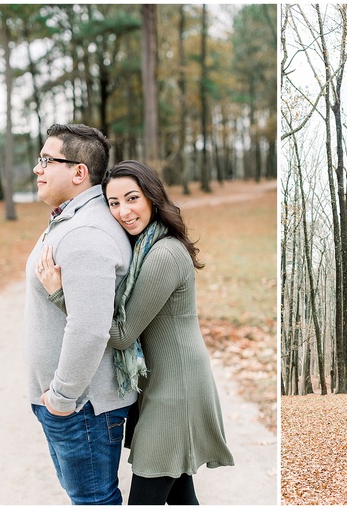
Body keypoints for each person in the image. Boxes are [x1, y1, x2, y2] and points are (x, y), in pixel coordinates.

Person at [36, 160, 235, 505]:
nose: (123, 211)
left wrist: (61, 295)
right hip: (160, 385)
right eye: (113, 203)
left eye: (132, 198)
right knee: (181, 496)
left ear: (152, 198)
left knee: (145, 500)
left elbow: (121, 334)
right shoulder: (145, 247)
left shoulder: (164, 254)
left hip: (176, 391)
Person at [24, 124, 136, 505]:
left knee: (93, 501)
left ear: (78, 172)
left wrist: (61, 398)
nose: (37, 168)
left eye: (46, 160)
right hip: (72, 406)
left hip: (81, 407)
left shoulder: (87, 232)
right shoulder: (72, 220)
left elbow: (89, 329)